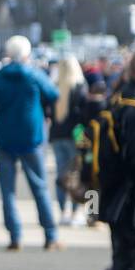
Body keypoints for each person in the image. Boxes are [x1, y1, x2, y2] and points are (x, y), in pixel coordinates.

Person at [0, 35, 62, 251]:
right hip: (31, 137)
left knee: (8, 191)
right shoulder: (34, 75)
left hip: (6, 137)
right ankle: (50, 235)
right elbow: (54, 94)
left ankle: (15, 236)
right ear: (27, 54)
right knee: (40, 186)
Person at [100, 46, 135, 270]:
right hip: (132, 193)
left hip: (114, 192)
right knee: (134, 260)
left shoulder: (116, 97)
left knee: (121, 259)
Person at [49, 54, 89, 227]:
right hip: (75, 137)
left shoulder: (55, 87)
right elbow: (84, 115)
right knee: (75, 175)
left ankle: (62, 211)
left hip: (57, 136)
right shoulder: (80, 87)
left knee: (61, 174)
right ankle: (74, 211)